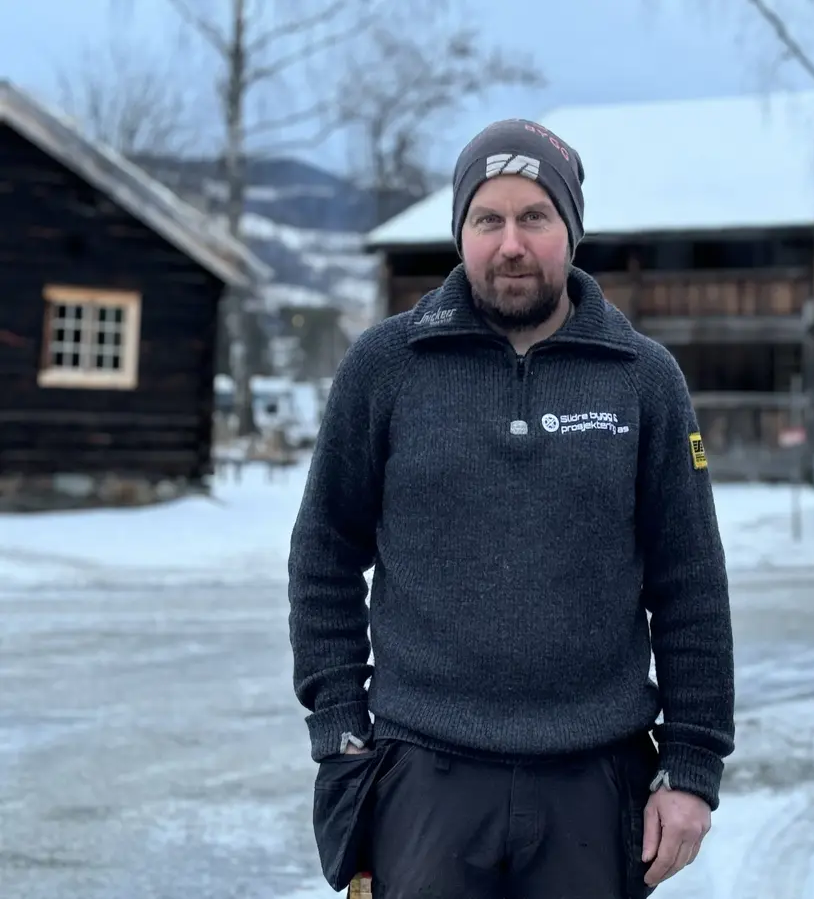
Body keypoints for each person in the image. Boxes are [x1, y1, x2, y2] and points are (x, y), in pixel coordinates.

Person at [288, 118, 735, 899]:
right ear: (460, 233)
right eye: (486, 220)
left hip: (596, 781)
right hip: (424, 774)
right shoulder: (386, 368)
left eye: (535, 217)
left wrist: (693, 767)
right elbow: (325, 552)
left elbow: (689, 582)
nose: (511, 244)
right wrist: (339, 727)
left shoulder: (643, 379)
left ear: (573, 228)